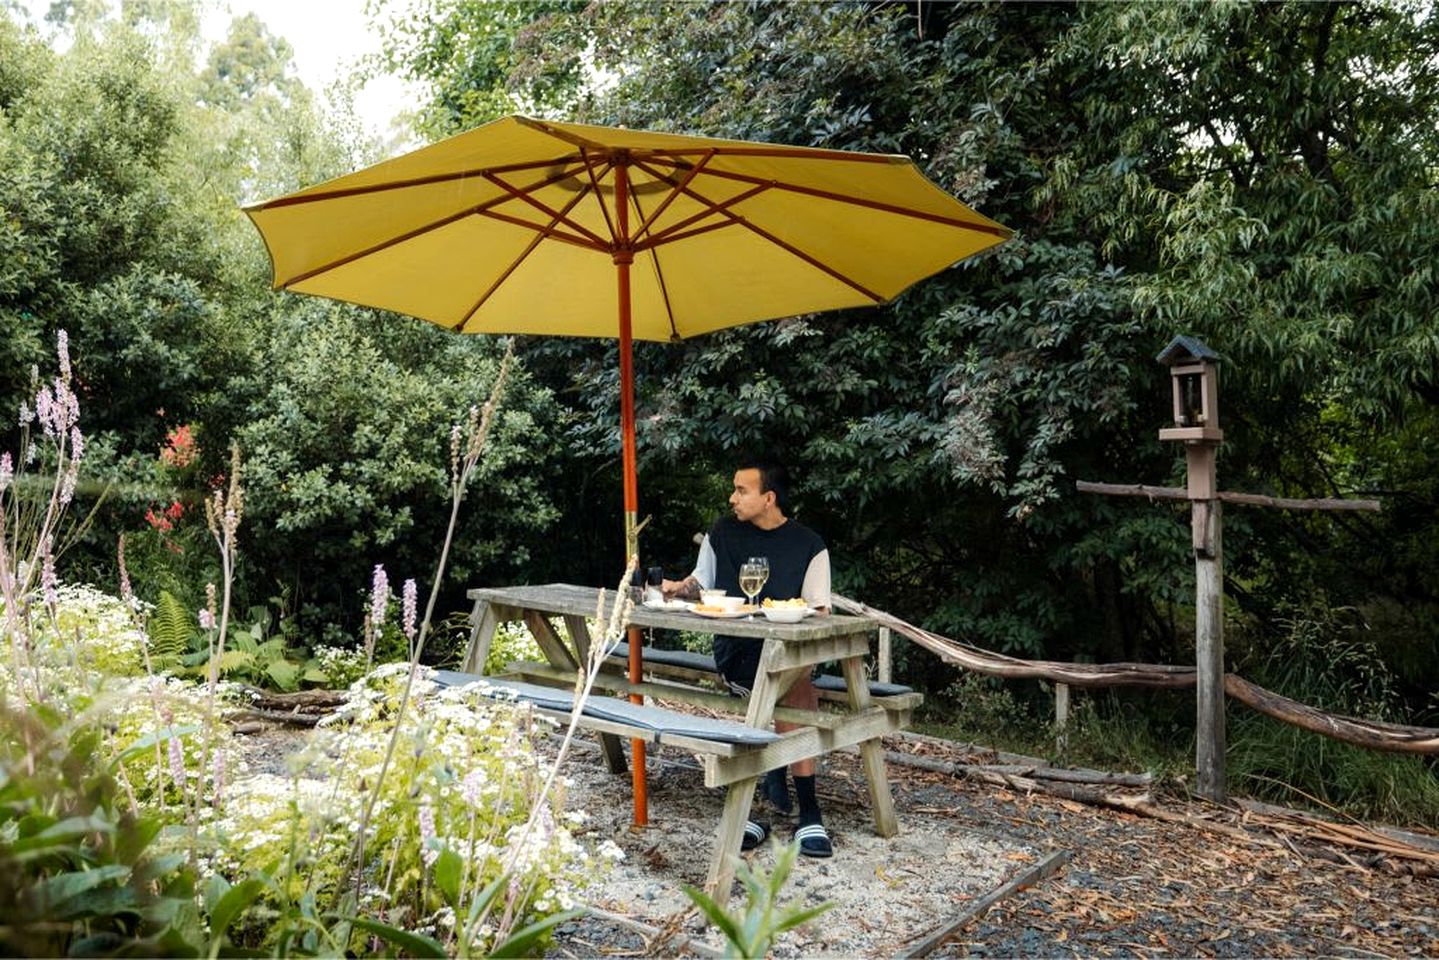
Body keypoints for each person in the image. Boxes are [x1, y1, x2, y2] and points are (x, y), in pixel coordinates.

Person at [662, 455, 833, 858]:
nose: (732, 497)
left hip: (793, 653)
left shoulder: (809, 545)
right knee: (788, 692)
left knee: (795, 684)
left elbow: (820, 612)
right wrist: (675, 588)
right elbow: (699, 584)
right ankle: (794, 805)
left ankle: (778, 802)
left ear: (768, 497)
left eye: (742, 490)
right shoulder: (722, 533)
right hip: (739, 651)